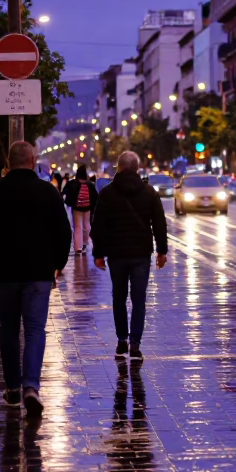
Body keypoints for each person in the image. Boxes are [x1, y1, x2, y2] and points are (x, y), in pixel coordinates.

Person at [0, 142, 71, 415]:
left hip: (5, 271)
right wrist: (57, 265)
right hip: (39, 271)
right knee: (35, 329)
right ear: (33, 160)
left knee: (8, 328)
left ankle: (12, 387)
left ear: (8, 161)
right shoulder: (47, 191)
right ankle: (30, 386)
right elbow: (64, 231)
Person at [90, 151, 167, 360]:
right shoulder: (149, 192)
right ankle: (135, 344)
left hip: (117, 254)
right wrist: (162, 251)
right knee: (139, 298)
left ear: (119, 168)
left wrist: (98, 253)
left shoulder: (107, 193)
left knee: (119, 297)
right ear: (137, 168)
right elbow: (159, 223)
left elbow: (98, 226)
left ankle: (122, 340)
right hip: (141, 253)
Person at [63, 163, 99, 256]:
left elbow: (65, 191)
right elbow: (95, 196)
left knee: (78, 227)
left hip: (76, 208)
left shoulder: (73, 183)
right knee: (87, 226)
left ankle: (78, 247)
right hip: (87, 208)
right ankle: (84, 244)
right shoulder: (90, 185)